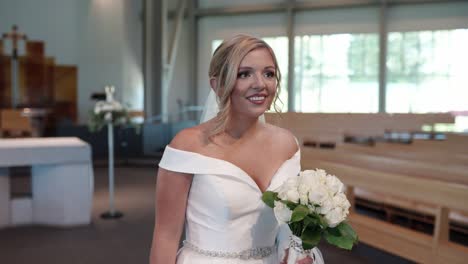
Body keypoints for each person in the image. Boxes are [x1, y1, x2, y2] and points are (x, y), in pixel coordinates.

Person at [150, 34, 323, 264]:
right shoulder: (187, 146)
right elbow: (165, 237)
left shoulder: (287, 144)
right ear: (217, 84)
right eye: (244, 74)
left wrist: (293, 250)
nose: (260, 84)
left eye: (268, 73)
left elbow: (288, 222)